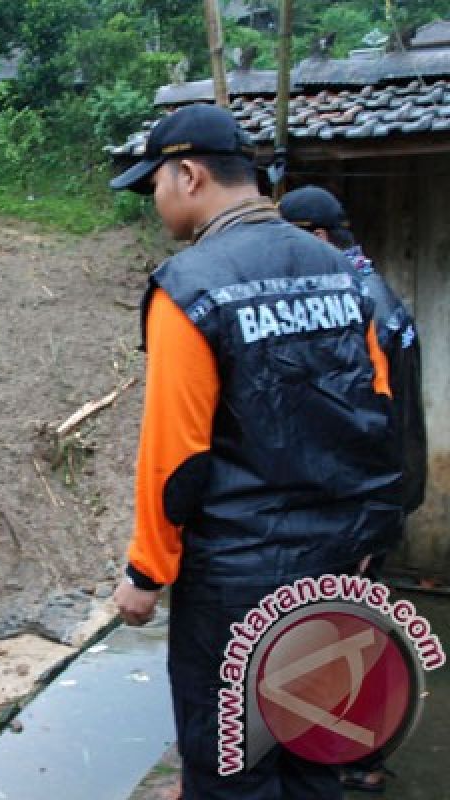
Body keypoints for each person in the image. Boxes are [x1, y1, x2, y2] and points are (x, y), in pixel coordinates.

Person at [109, 104, 404, 799]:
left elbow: (174, 456)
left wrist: (147, 573)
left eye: (154, 183)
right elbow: (381, 414)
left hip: (238, 585)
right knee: (315, 751)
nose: (154, 200)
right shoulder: (342, 271)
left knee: (233, 767)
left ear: (189, 175)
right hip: (337, 570)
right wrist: (370, 539)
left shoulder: (190, 288)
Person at [279, 185, 428, 795]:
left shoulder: (356, 303)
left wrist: (367, 519)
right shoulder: (375, 291)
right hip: (387, 493)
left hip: (369, 501)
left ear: (315, 236)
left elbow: (374, 422)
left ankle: (355, 756)